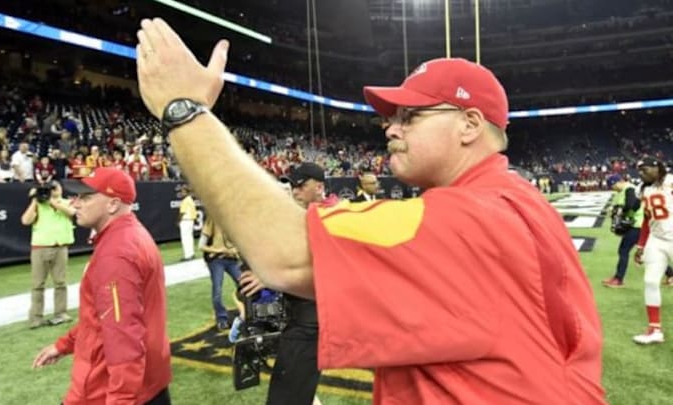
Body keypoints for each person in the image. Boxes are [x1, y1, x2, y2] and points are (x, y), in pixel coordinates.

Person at [135, 19, 606, 403]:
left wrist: (185, 111)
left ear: (469, 124)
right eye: (392, 116)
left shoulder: (472, 215)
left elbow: (284, 254)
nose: (390, 126)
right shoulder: (511, 199)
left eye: (411, 115)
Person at [32, 167, 172, 404]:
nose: (75, 203)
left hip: (106, 389)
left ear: (112, 204)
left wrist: (120, 399)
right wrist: (64, 345)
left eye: (85, 197)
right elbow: (103, 319)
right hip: (148, 384)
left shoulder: (116, 253)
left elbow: (123, 337)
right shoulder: (129, 236)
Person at [240, 162, 332, 405]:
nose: (295, 190)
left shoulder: (331, 216)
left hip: (312, 320)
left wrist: (271, 276)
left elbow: (327, 270)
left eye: (301, 185)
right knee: (300, 387)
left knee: (286, 395)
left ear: (319, 186)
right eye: (293, 185)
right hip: (298, 314)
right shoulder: (301, 217)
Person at [21, 180, 76, 328]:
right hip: (40, 247)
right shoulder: (39, 204)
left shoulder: (68, 202)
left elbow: (72, 212)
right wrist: (35, 200)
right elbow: (26, 221)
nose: (52, 190)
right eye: (49, 189)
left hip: (60, 246)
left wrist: (53, 201)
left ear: (60, 189)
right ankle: (35, 318)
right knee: (38, 284)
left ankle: (61, 313)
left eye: (54, 188)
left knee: (60, 282)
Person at [632, 156, 673, 344]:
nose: (641, 174)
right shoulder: (643, 189)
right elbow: (647, 220)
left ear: (657, 168)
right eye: (639, 171)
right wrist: (640, 245)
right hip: (656, 239)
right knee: (650, 281)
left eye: (645, 169)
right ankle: (655, 330)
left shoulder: (670, 181)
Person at [199, 215, 241, 330]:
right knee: (217, 289)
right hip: (216, 260)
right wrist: (219, 250)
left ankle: (247, 313)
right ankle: (221, 318)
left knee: (245, 285)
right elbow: (201, 246)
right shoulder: (212, 219)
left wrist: (235, 250)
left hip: (232, 259)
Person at [602, 175, 643, 288]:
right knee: (649, 253)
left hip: (636, 224)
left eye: (612, 186)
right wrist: (616, 209)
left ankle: (619, 279)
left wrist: (619, 211)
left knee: (623, 250)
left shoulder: (629, 189)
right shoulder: (627, 189)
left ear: (617, 182)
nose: (612, 188)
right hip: (637, 224)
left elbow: (631, 205)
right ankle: (671, 274)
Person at [178, 184, 197, 261]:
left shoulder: (185, 200)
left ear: (187, 192)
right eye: (182, 192)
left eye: (183, 192)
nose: (182, 193)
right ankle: (191, 253)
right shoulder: (191, 200)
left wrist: (178, 220)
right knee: (189, 238)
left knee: (185, 238)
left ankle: (187, 255)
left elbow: (182, 212)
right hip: (191, 220)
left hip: (185, 220)